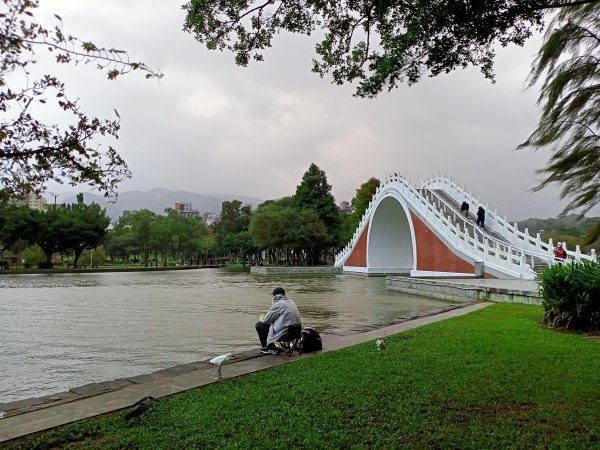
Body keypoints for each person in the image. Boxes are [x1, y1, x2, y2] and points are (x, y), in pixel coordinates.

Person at [255, 287, 302, 355]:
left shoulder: (278, 304)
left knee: (259, 325)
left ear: (275, 296)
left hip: (286, 334)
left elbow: (266, 321)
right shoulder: (292, 302)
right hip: (296, 333)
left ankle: (269, 347)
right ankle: (272, 346)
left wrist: (261, 318)